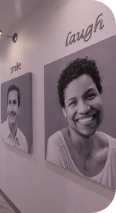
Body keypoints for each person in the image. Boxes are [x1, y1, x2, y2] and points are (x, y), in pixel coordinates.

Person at [46, 57, 116, 190]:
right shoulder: (57, 145)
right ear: (64, 111)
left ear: (100, 95)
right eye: (73, 103)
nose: (84, 109)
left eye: (90, 96)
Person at [1, 84, 28, 153]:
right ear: (7, 107)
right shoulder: (0, 133)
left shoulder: (23, 141)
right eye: (9, 103)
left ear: (19, 108)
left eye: (14, 103)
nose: (11, 109)